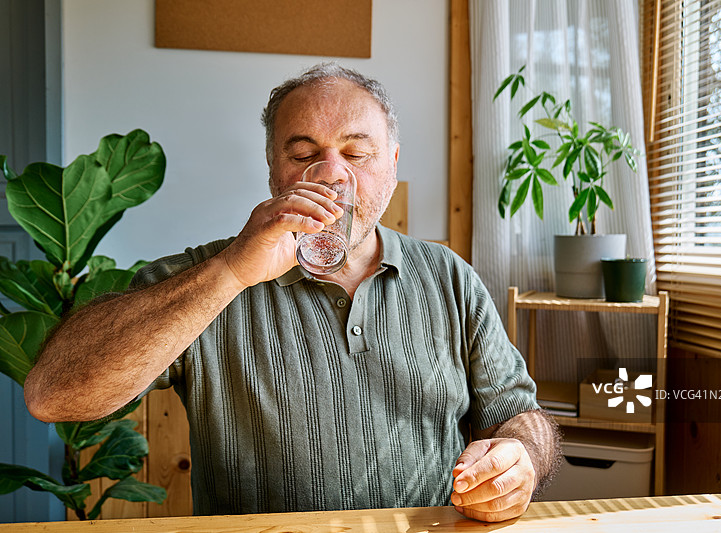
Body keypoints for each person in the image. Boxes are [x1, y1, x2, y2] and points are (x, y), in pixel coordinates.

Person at [24, 63, 560, 522]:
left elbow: (519, 413)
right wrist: (230, 272)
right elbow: (53, 396)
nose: (332, 176)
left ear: (392, 165)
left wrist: (522, 459)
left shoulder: (449, 276)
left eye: (357, 152)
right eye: (304, 154)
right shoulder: (203, 275)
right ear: (274, 170)